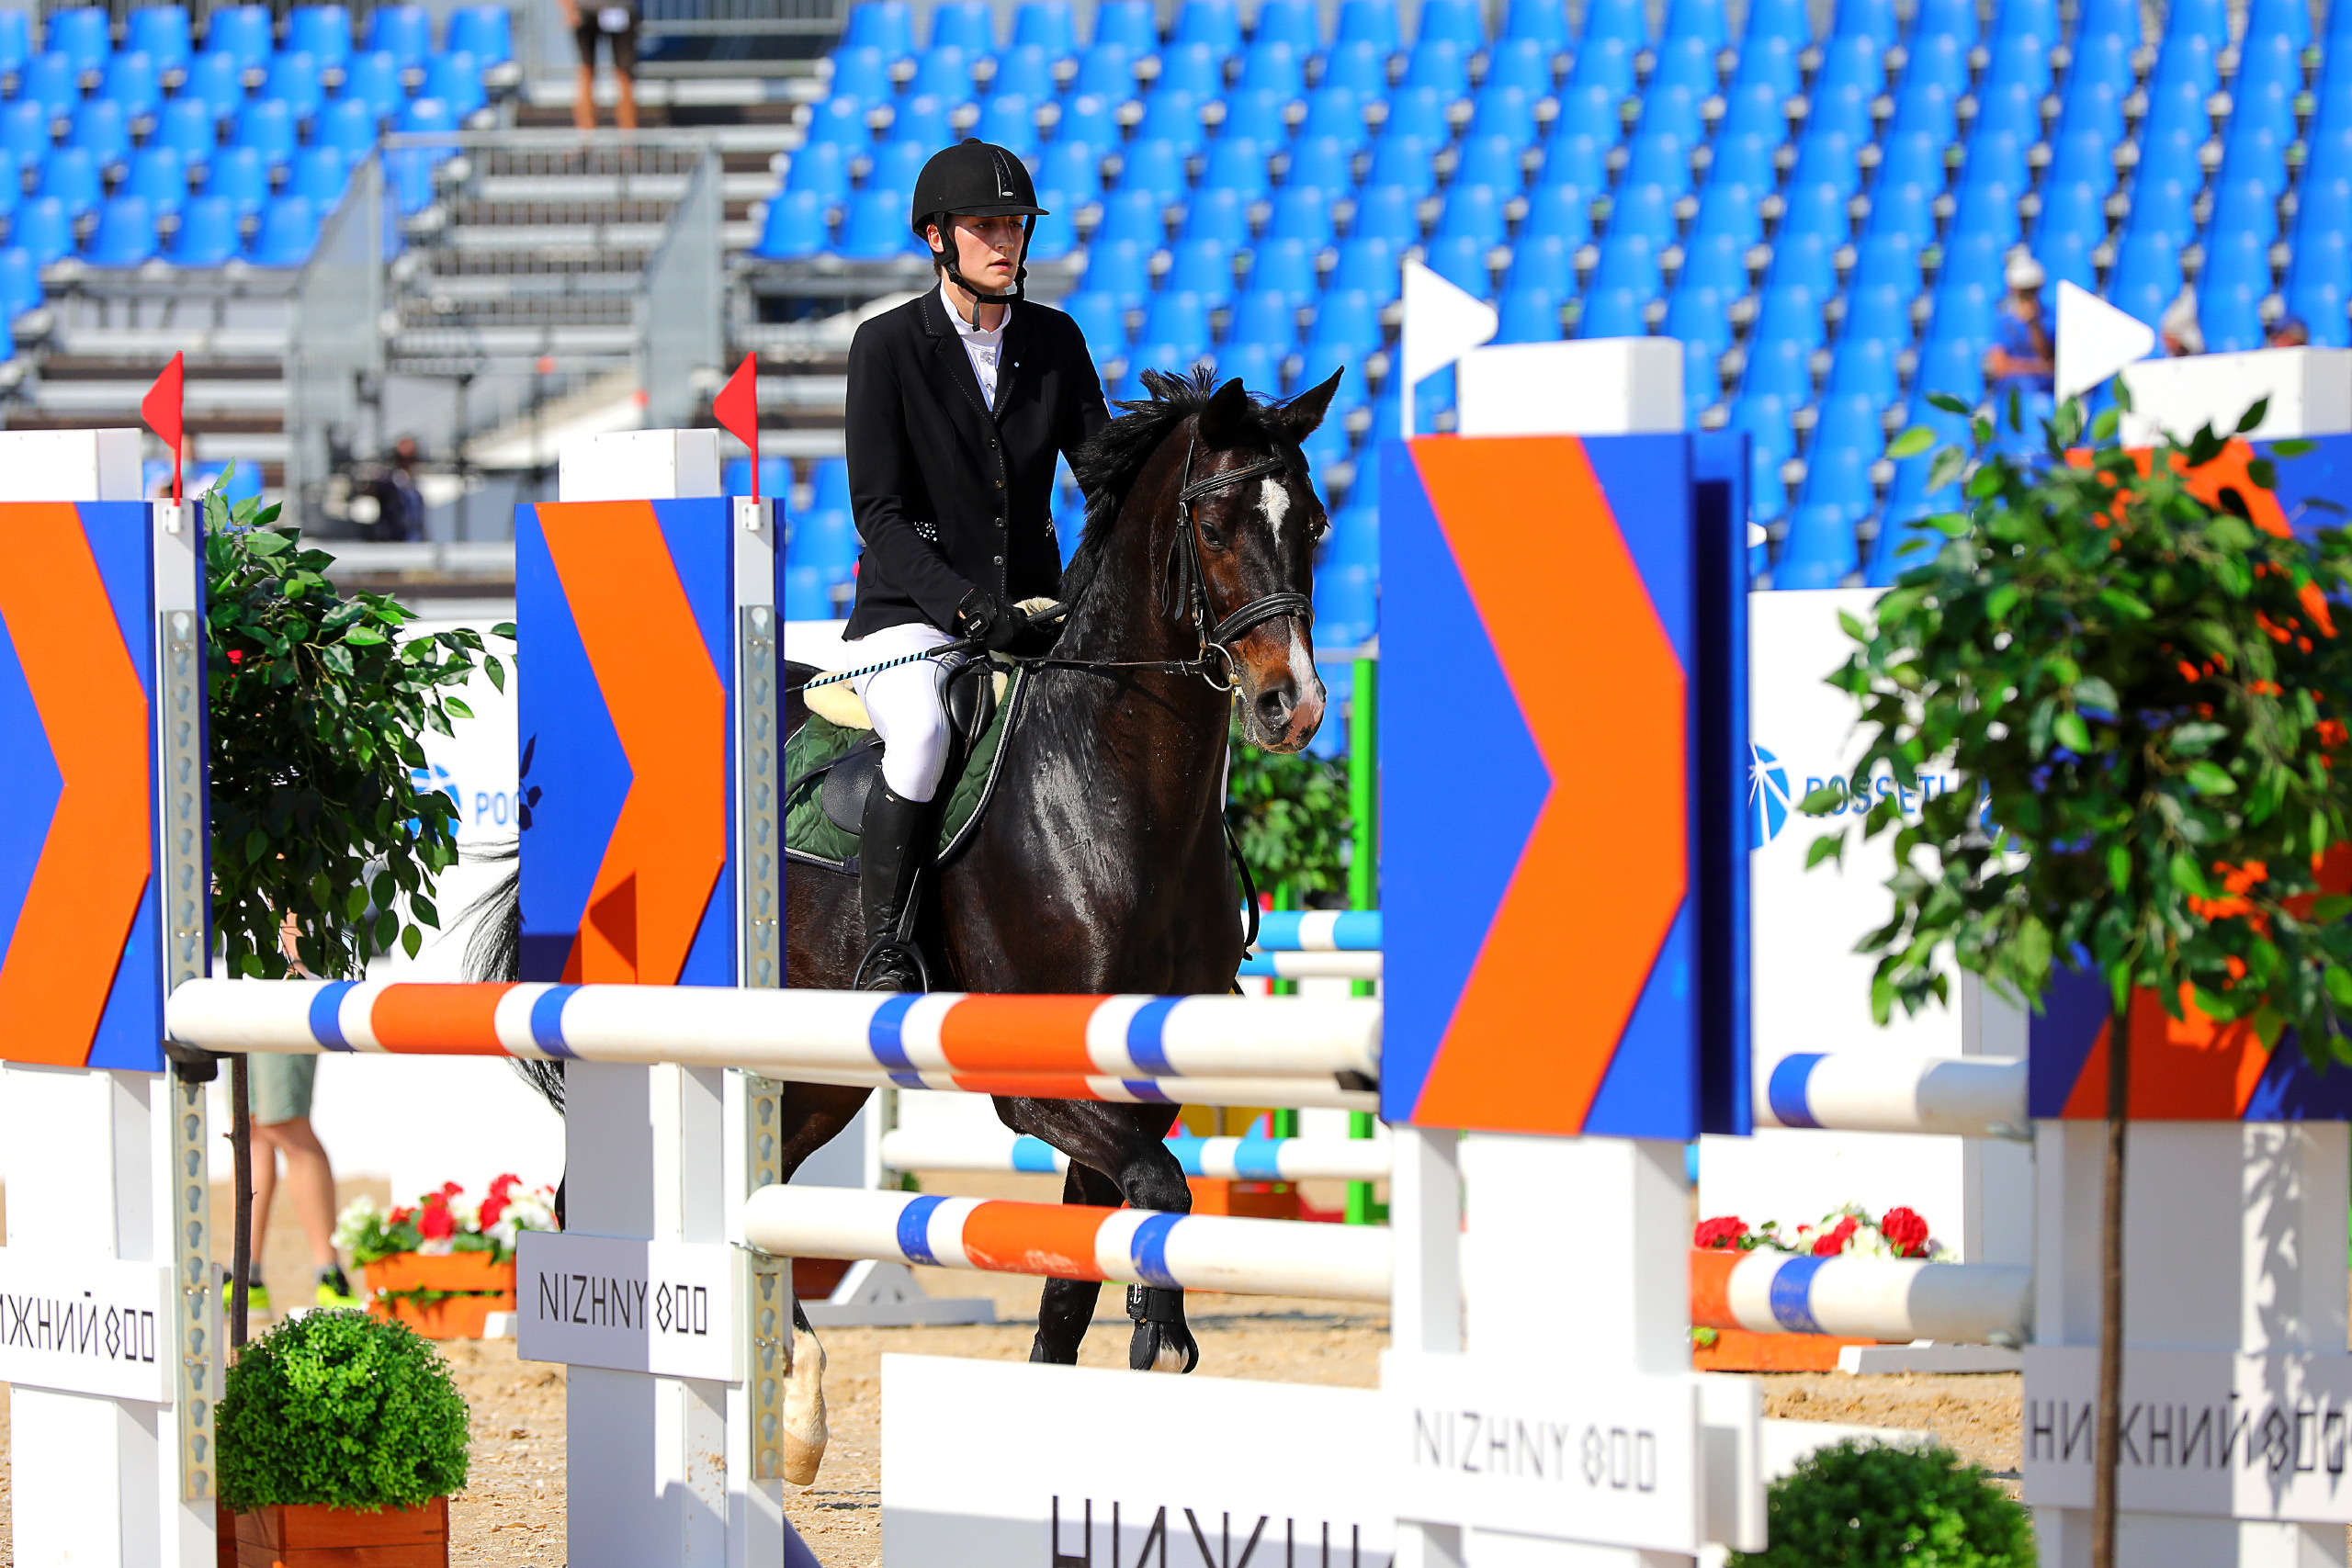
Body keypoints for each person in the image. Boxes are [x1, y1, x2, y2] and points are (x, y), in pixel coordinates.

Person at [839, 139, 1110, 991]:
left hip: (1031, 612)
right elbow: (878, 516)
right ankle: (886, 944)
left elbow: (1102, 477)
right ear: (937, 237)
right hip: (913, 616)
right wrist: (961, 607)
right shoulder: (884, 347)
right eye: (985, 226)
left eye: (1016, 226)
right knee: (919, 734)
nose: (1006, 242)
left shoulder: (1056, 341)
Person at [246, 1054, 359, 1311]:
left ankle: (330, 1275)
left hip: (275, 1016)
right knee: (247, 1126)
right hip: (231, 1014)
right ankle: (246, 1277)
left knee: (286, 1123)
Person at [1983, 254, 2054, 397]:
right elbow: (2000, 366)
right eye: (2023, 290)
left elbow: (2048, 358)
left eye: (2032, 289)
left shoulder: (2050, 318)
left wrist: (2033, 325)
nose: (2028, 295)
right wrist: (2038, 367)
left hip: (2044, 392)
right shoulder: (2002, 320)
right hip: (2013, 392)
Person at [560, 0, 638, 130]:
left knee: (624, 74)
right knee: (586, 71)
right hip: (586, 11)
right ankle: (586, 137)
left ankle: (629, 141)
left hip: (620, 10)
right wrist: (569, 9)